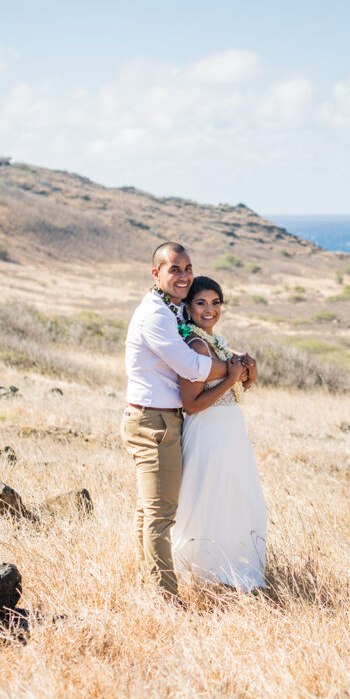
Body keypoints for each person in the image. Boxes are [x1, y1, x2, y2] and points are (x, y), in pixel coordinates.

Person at [120, 243, 238, 600]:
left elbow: (199, 349)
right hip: (153, 422)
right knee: (160, 516)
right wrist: (231, 370)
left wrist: (234, 361)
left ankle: (150, 587)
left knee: (148, 511)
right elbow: (190, 366)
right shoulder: (155, 315)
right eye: (175, 269)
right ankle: (167, 598)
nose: (184, 275)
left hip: (160, 420)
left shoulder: (172, 310)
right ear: (156, 273)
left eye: (188, 267)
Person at [172, 275, 267, 591]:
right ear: (187, 307)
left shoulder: (216, 342)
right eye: (201, 302)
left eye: (215, 303)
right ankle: (206, 572)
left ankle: (233, 568)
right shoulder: (196, 345)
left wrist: (246, 373)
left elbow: (236, 387)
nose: (209, 309)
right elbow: (191, 404)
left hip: (230, 434)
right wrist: (230, 377)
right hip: (208, 434)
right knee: (210, 499)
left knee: (237, 498)